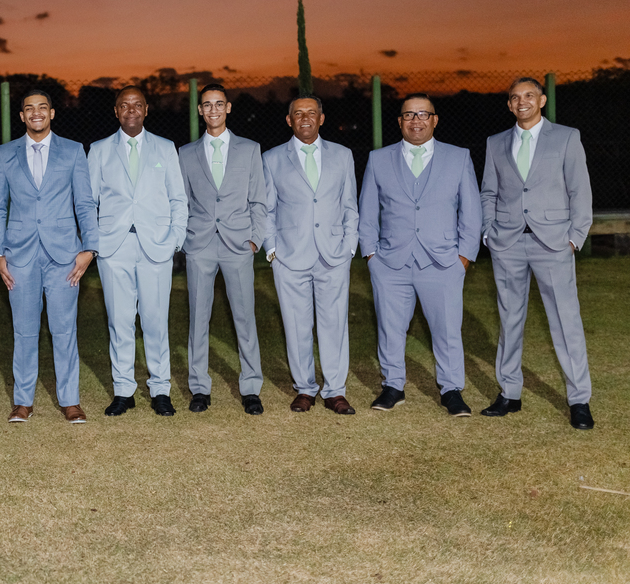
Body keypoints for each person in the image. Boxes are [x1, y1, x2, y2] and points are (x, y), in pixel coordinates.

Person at [479, 77, 594, 429]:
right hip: (508, 244)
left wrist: (575, 237)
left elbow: (580, 190)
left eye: (529, 95)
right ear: (509, 105)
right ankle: (509, 393)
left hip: (553, 242)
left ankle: (579, 399)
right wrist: (489, 232)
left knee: (566, 321)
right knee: (509, 319)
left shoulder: (566, 137)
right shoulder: (495, 142)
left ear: (542, 100)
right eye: (515, 97)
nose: (522, 101)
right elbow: (488, 192)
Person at [358, 94, 482, 417]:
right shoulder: (378, 159)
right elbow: (367, 212)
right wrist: (371, 256)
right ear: (400, 121)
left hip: (443, 262)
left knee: (447, 329)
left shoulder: (458, 157)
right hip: (390, 263)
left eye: (423, 114)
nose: (416, 121)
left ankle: (451, 389)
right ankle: (393, 386)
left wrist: (463, 258)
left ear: (435, 120)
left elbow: (471, 212)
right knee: (390, 328)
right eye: (409, 115)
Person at [0, 88, 99, 423]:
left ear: (52, 113)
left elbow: (84, 202)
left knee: (64, 329)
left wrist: (90, 248)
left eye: (42, 107)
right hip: (19, 255)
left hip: (64, 254)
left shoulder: (73, 150)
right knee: (24, 330)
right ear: (21, 115)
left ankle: (70, 400)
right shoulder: (4, 153)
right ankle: (23, 401)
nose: (35, 112)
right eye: (29, 108)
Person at [87, 86, 187, 417]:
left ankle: (160, 389)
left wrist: (175, 240)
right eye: (124, 105)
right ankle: (123, 390)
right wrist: (95, 243)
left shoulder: (165, 147)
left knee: (156, 321)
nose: (131, 110)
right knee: (120, 321)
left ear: (146, 110)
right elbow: (88, 201)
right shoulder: (99, 150)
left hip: (156, 246)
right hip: (114, 247)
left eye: (137, 105)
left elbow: (178, 198)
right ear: (116, 112)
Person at [262, 96, 359, 415]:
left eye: (311, 113)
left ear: (321, 118)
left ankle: (335, 391)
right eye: (298, 113)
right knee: (296, 325)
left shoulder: (342, 155)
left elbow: (349, 204)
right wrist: (272, 249)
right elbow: (267, 209)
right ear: (289, 120)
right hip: (289, 256)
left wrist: (349, 246)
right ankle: (304, 388)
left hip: (333, 254)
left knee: (334, 324)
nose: (305, 118)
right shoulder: (272, 158)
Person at [178, 83, 268, 415]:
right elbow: (182, 201)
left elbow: (259, 199)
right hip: (200, 244)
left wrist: (255, 239)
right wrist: (184, 240)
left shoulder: (250, 149)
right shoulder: (186, 153)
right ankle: (199, 387)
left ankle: (251, 387)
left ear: (228, 107)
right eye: (207, 104)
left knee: (245, 317)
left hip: (238, 244)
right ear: (199, 110)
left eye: (219, 104)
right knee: (198, 318)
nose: (213, 109)